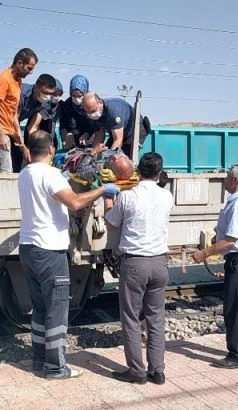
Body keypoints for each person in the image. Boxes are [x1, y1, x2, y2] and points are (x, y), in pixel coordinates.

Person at [18, 130, 120, 379]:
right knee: (57, 308)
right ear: (51, 149)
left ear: (29, 150)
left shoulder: (25, 173)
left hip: (28, 247)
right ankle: (56, 368)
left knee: (41, 308)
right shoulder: (51, 175)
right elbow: (74, 203)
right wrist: (101, 191)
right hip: (49, 249)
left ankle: (39, 360)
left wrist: (62, 177)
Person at [104, 152, 174, 385]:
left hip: (134, 263)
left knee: (131, 318)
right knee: (156, 318)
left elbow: (111, 223)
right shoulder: (167, 197)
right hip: (159, 263)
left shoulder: (127, 197)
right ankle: (158, 370)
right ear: (159, 173)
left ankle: (136, 371)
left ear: (138, 171)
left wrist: (107, 197)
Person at [192, 164, 238, 369]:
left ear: (234, 181)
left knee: (234, 308)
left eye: (226, 177)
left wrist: (204, 253)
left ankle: (237, 355)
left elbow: (232, 240)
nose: (224, 180)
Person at [0, 48, 38, 173]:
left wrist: (22, 144)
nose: (31, 72)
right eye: (29, 68)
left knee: (7, 170)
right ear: (19, 63)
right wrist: (1, 135)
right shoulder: (3, 80)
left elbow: (12, 113)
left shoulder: (17, 81)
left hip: (5, 131)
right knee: (5, 171)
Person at [81, 92, 148, 160]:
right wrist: (91, 155)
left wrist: (109, 159)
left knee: (121, 160)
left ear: (100, 103)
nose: (92, 114)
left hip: (133, 133)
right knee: (103, 154)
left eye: (93, 111)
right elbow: (99, 136)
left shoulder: (114, 111)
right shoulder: (91, 116)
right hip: (115, 133)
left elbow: (118, 140)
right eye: (88, 112)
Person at [11, 74, 57, 171]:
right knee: (7, 162)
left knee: (19, 159)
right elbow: (13, 120)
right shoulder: (21, 93)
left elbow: (32, 128)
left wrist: (38, 149)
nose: (48, 97)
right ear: (36, 88)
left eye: (51, 94)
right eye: (45, 92)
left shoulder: (46, 103)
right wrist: (23, 148)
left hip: (13, 125)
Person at [58, 75, 99, 149]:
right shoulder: (67, 105)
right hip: (73, 140)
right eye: (74, 95)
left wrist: (86, 135)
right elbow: (63, 124)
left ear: (85, 93)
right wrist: (64, 139)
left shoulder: (90, 103)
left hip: (89, 139)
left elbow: (94, 124)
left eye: (79, 96)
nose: (76, 98)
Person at [26, 78, 63, 150]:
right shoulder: (42, 104)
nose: (57, 97)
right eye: (54, 94)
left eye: (60, 94)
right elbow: (33, 127)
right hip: (36, 140)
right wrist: (38, 146)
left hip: (50, 140)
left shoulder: (59, 106)